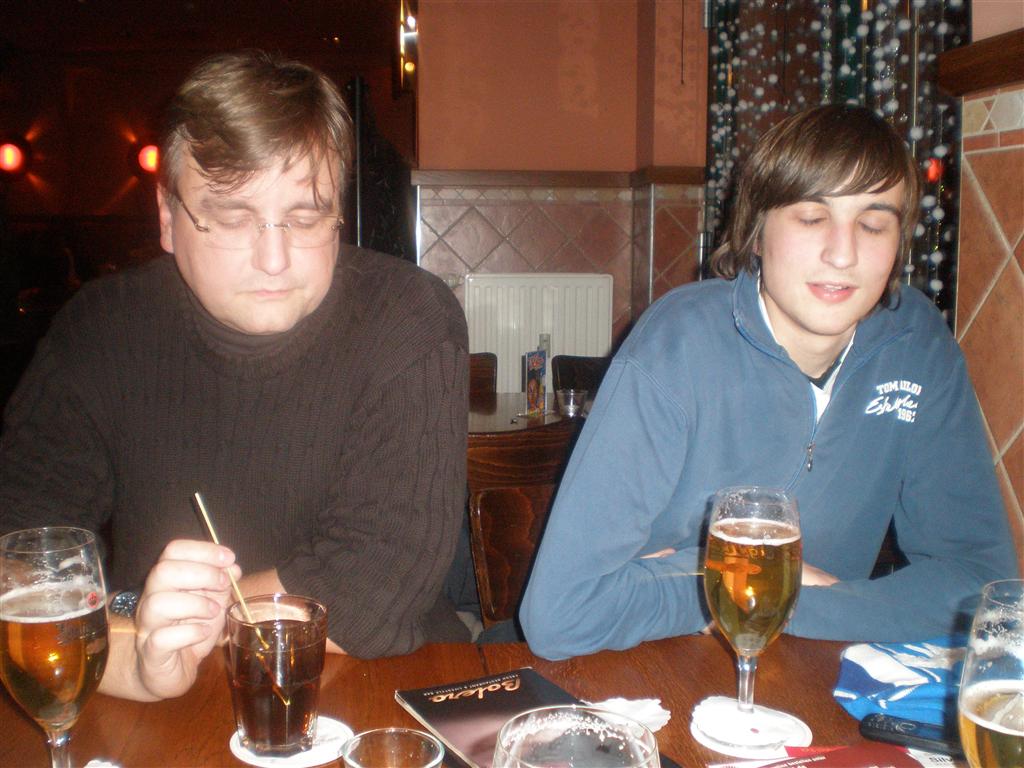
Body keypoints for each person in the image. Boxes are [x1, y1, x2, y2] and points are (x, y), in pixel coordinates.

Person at [0, 50, 470, 699]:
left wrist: (162, 629)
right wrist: (139, 658)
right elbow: (19, 559)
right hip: (158, 699)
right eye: (230, 218)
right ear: (168, 218)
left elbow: (370, 594)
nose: (274, 258)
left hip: (382, 689)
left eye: (305, 217)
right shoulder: (100, 330)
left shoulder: (408, 318)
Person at [519, 104, 1018, 660]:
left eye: (873, 223)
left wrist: (793, 600)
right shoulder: (678, 341)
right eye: (811, 218)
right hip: (646, 667)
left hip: (805, 670)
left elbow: (983, 587)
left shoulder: (918, 345)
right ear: (756, 234)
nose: (843, 253)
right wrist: (746, 577)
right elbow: (562, 614)